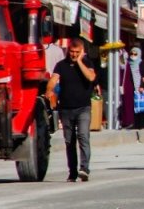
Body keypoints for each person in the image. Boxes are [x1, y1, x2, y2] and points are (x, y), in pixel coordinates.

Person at [47, 38, 96, 182]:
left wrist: (80, 61)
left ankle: (84, 168)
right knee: (69, 141)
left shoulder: (87, 63)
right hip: (66, 109)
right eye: (72, 52)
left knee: (83, 136)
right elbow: (53, 79)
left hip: (83, 108)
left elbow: (91, 77)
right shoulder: (61, 65)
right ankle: (72, 172)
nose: (74, 55)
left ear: (82, 52)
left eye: (77, 52)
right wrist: (49, 90)